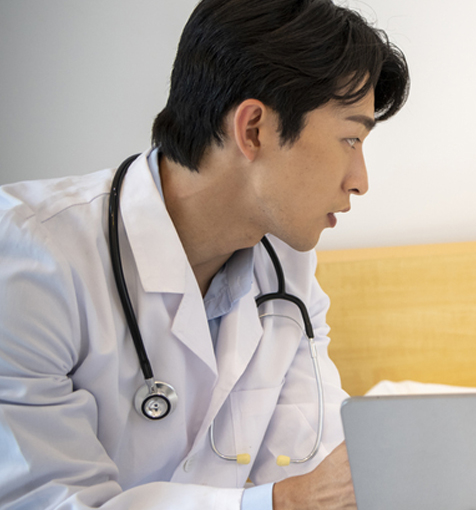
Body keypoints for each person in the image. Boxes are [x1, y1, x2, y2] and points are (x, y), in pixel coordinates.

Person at [0, 1, 408, 509]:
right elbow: (47, 501)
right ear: (253, 129)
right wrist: (281, 502)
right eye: (350, 139)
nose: (360, 181)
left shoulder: (287, 271)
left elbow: (316, 474)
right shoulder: (28, 258)